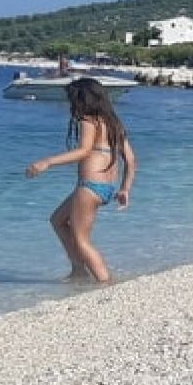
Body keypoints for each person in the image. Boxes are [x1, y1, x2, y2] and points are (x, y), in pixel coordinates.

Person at [25, 78, 136, 283]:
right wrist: (125, 189)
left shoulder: (88, 120)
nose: (70, 104)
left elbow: (84, 151)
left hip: (90, 187)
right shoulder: (114, 123)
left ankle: (105, 282)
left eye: (72, 99)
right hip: (107, 187)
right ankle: (78, 270)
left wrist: (47, 162)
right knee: (58, 220)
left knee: (81, 239)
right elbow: (130, 159)